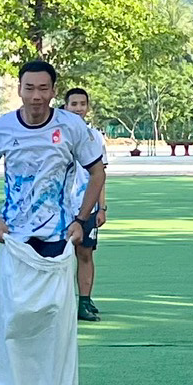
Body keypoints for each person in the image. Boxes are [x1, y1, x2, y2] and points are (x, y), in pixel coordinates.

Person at [0, 59, 106, 385]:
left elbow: (96, 171)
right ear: (19, 89)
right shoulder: (1, 129)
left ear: (52, 91)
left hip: (58, 237)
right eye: (29, 88)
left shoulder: (71, 127)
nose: (36, 96)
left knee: (53, 320)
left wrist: (82, 219)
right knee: (16, 317)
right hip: (16, 238)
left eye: (43, 89)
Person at [63, 84, 109, 321]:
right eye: (74, 104)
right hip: (59, 207)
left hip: (86, 205)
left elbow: (101, 174)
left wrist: (101, 207)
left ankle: (84, 301)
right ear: (65, 106)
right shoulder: (57, 134)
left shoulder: (95, 137)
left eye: (82, 104)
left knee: (85, 254)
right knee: (59, 257)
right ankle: (62, 303)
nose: (78, 108)